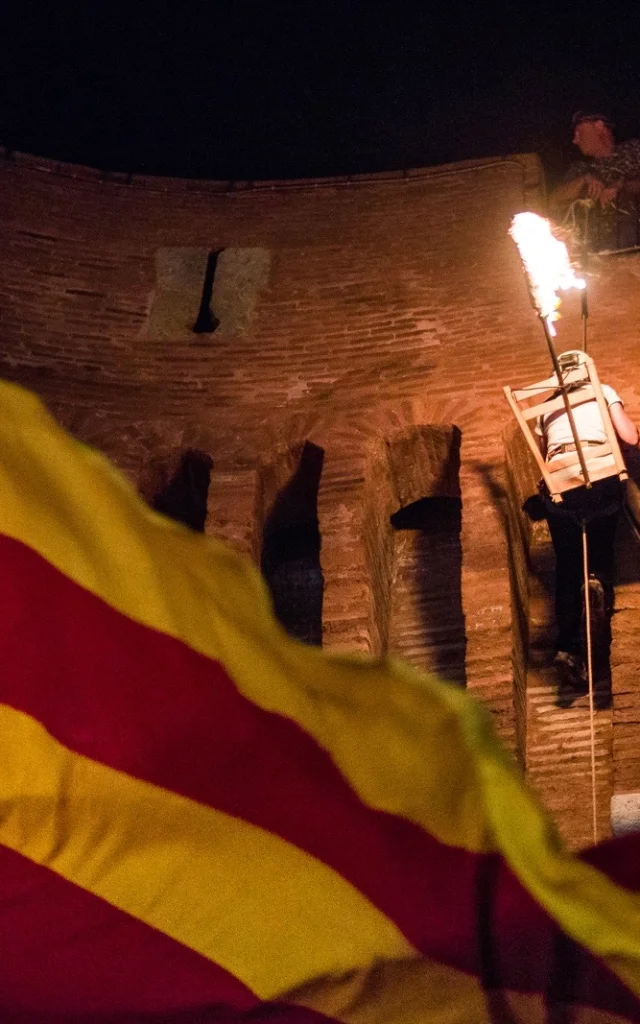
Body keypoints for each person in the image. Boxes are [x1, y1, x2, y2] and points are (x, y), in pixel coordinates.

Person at [534, 351, 639, 706]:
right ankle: (599, 583)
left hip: (561, 489)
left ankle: (567, 647)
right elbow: (630, 436)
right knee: (603, 541)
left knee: (566, 562)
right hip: (603, 479)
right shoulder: (601, 389)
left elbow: (542, 459)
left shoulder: (545, 408)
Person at [549, 112, 640, 211]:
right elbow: (553, 201)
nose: (575, 140)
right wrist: (584, 180)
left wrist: (622, 186)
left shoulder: (634, 149)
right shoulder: (581, 168)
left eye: (579, 132)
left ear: (599, 126)